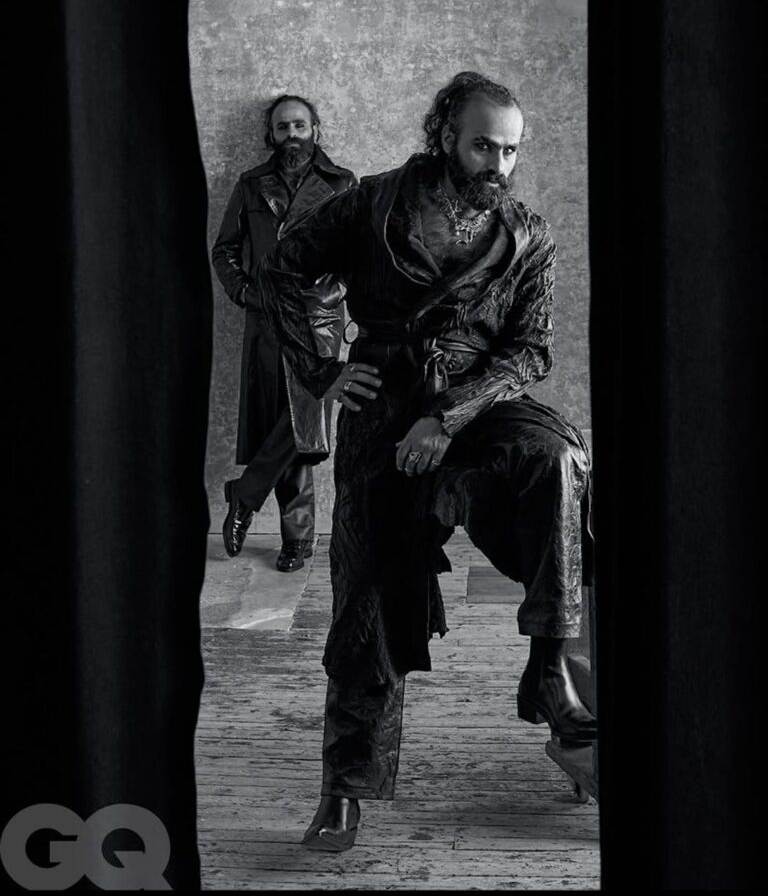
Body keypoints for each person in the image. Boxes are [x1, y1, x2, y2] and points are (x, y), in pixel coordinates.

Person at [257, 71, 597, 850]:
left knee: (559, 458)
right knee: (366, 594)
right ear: (446, 133)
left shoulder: (528, 233)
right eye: (484, 146)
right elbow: (280, 270)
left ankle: (549, 668)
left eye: (510, 150)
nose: (498, 164)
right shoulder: (371, 203)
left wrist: (448, 416)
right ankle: (345, 788)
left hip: (477, 403)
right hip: (384, 408)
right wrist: (322, 369)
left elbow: (530, 350)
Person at [212, 94, 356, 571]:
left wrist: (330, 294)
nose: (291, 134)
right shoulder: (251, 184)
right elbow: (225, 250)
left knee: (302, 423)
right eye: (282, 127)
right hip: (268, 321)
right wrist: (245, 292)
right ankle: (297, 539)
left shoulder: (342, 184)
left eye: (299, 125)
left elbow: (358, 255)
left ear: (315, 129)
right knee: (289, 422)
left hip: (318, 322)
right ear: (270, 135)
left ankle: (246, 494)